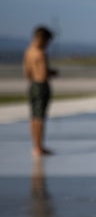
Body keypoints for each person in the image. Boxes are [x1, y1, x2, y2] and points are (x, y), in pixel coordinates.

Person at [23, 25, 57, 156]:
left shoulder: (28, 52)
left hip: (32, 85)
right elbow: (43, 74)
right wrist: (52, 72)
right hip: (41, 86)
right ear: (42, 39)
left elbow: (26, 73)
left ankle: (35, 145)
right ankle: (39, 147)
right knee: (40, 117)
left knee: (33, 117)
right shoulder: (40, 53)